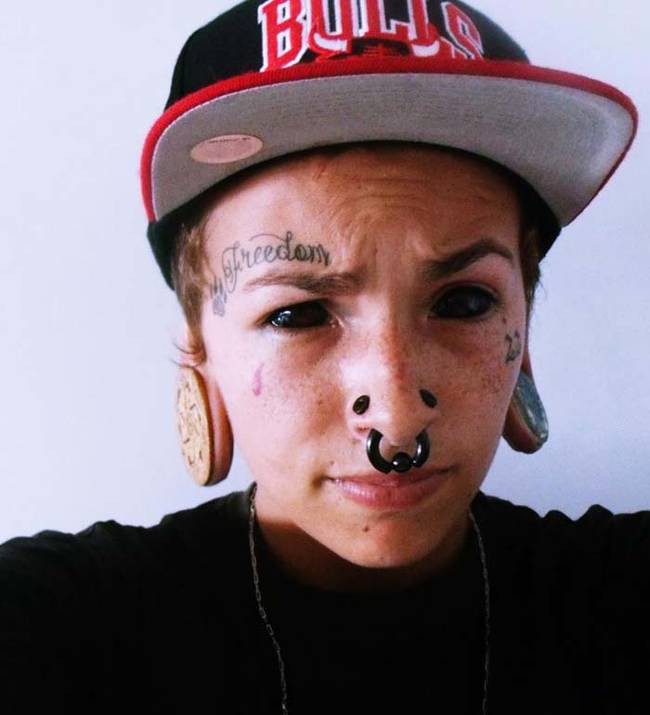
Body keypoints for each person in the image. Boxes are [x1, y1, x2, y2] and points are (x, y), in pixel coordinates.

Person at [1, 1, 645, 713]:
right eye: (297, 314)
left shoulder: (618, 600)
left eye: (464, 302)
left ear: (523, 334)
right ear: (201, 351)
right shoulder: (60, 626)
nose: (396, 419)